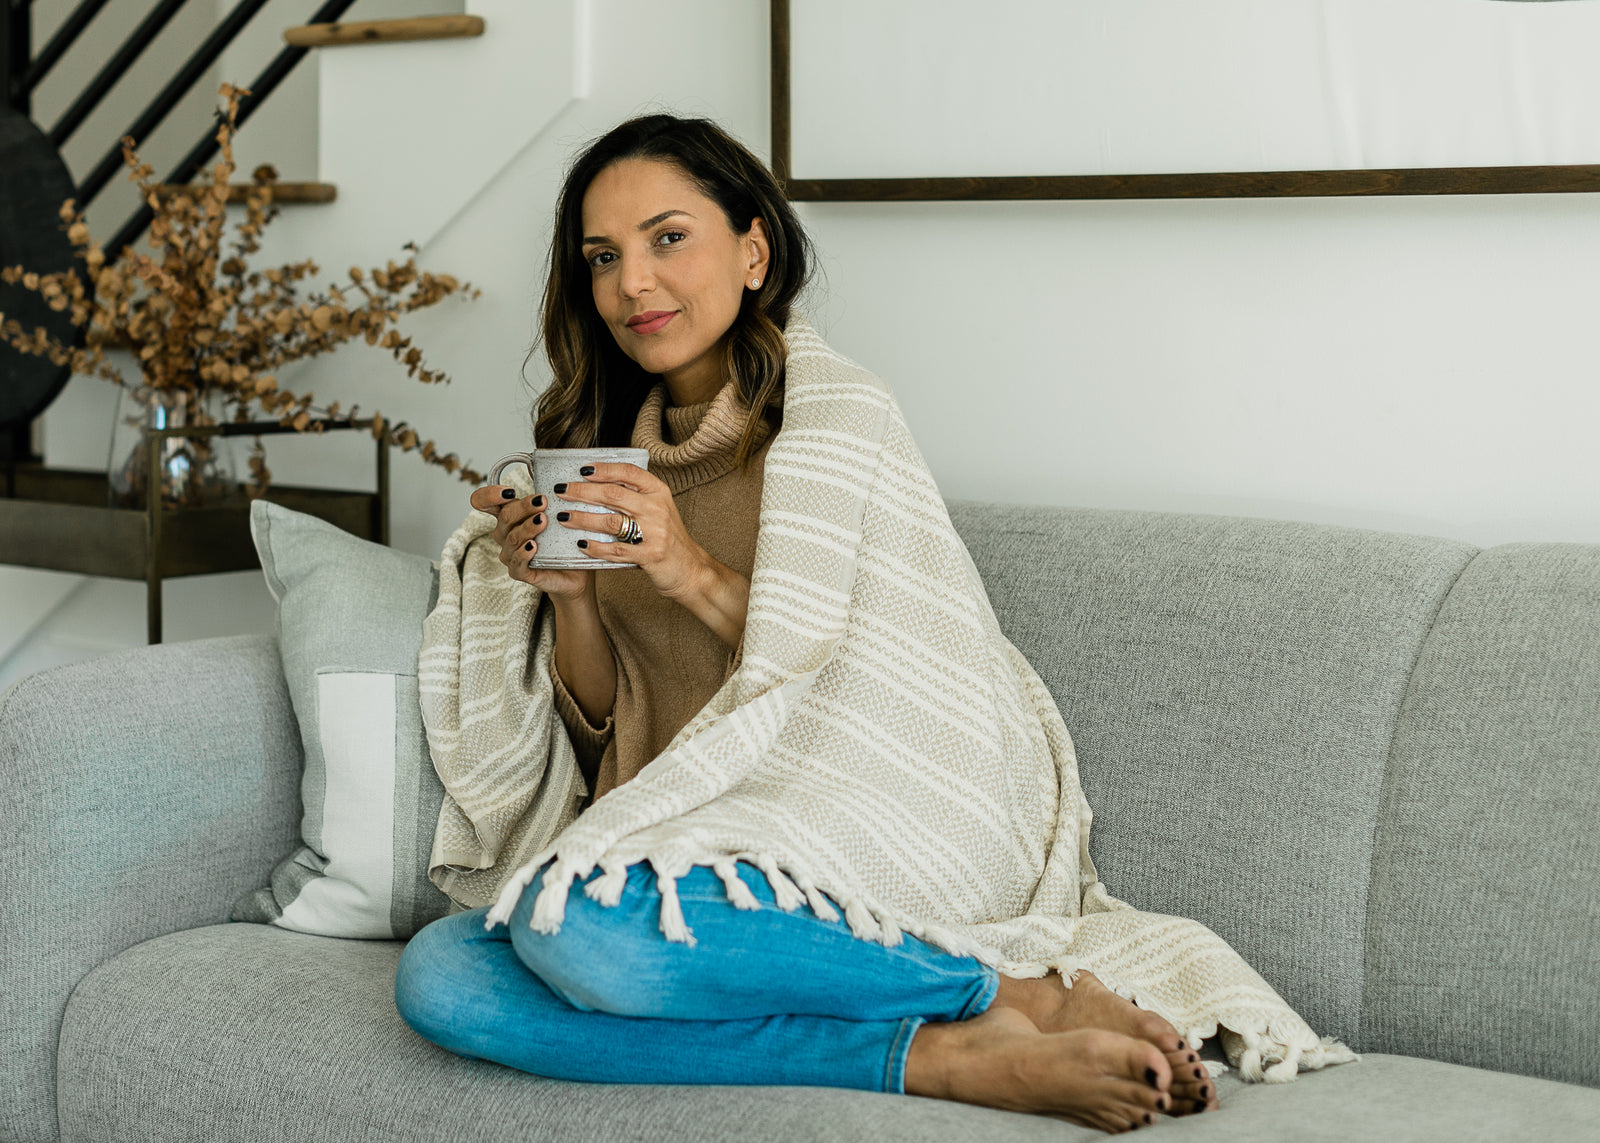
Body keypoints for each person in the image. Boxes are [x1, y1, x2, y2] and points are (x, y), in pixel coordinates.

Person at [394, 113, 1219, 1134]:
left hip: (835, 833)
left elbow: (887, 671)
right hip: (680, 837)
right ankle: (938, 1053)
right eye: (602, 258)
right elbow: (613, 730)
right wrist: (568, 599)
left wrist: (687, 568)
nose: (632, 284)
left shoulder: (837, 427)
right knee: (443, 977)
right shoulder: (601, 454)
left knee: (590, 934)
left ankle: (1017, 994)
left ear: (753, 251)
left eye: (666, 239)